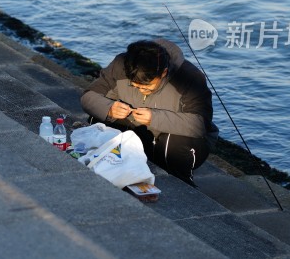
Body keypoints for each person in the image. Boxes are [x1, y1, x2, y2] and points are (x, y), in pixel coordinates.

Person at [81, 38, 219, 186]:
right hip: (139, 135)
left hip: (178, 143)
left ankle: (182, 185)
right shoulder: (121, 64)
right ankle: (113, 168)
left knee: (174, 143)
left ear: (164, 73)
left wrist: (154, 118)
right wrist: (109, 108)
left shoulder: (189, 77)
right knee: (97, 119)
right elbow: (88, 97)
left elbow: (200, 125)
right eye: (135, 86)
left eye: (147, 87)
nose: (141, 90)